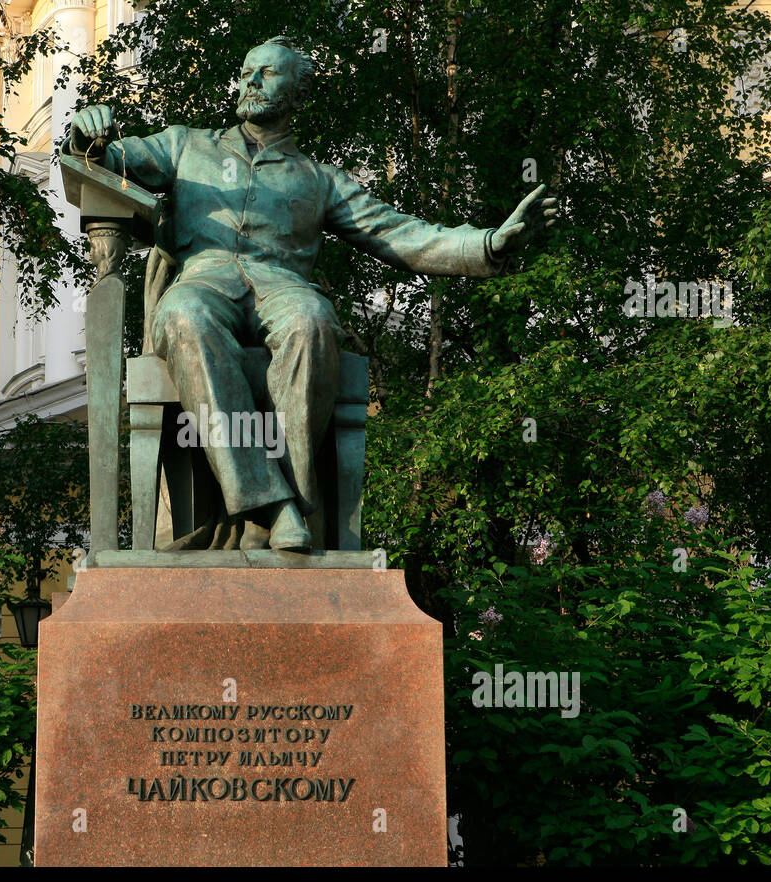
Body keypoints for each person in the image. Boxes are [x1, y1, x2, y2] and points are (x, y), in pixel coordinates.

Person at [68, 36, 555, 551]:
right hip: (204, 282)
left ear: (297, 94)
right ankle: (274, 505)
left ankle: (289, 500)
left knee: (313, 321)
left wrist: (488, 243)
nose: (251, 81)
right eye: (246, 70)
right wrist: (87, 132)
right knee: (185, 315)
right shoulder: (187, 145)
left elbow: (401, 235)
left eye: (268, 73)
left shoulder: (320, 180)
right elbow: (105, 160)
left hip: (282, 287)